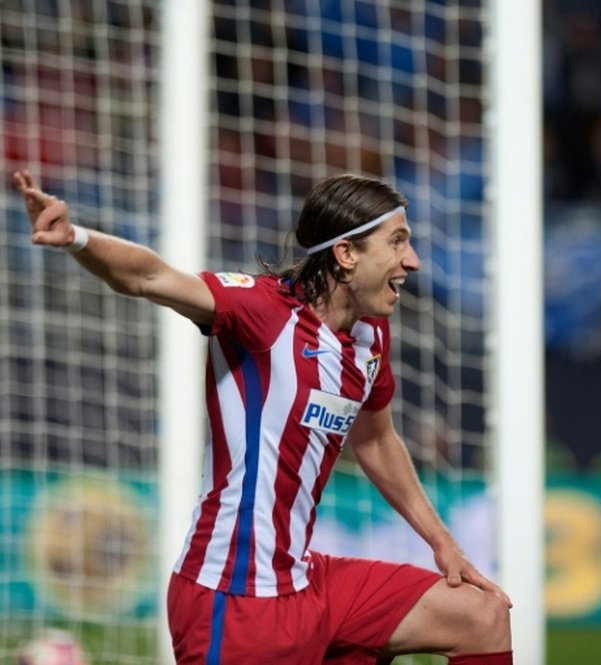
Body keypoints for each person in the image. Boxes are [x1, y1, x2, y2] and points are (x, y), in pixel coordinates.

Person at [14, 169, 513, 664]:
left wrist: (444, 544)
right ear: (346, 254)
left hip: (308, 582)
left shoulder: (370, 338)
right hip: (232, 596)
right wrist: (74, 237)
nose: (414, 261)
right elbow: (149, 276)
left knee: (480, 616)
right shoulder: (262, 312)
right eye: (398, 242)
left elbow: (377, 441)